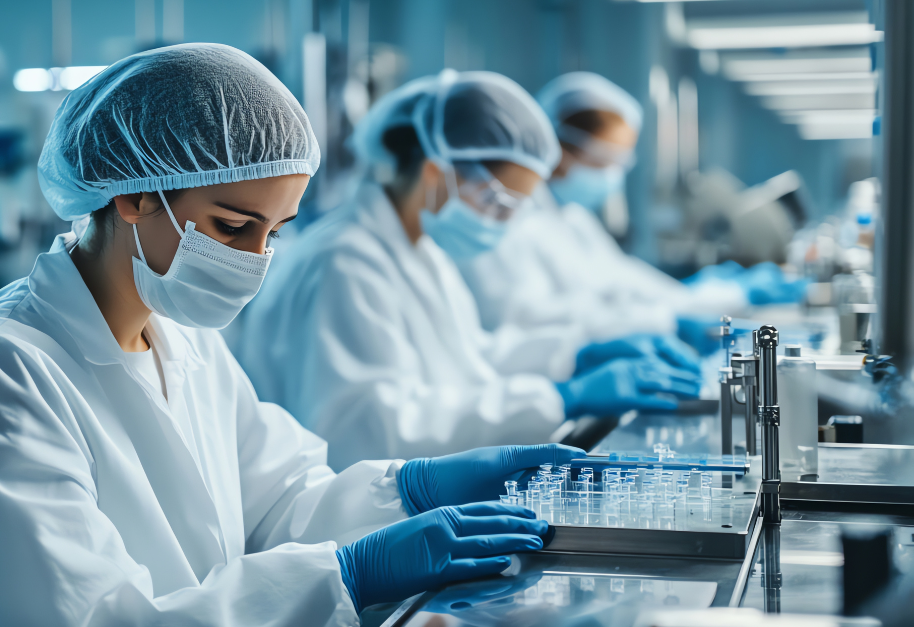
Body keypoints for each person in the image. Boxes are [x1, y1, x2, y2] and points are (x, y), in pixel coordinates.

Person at [0, 45, 587, 626]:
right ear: (133, 193)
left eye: (275, 231)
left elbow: (278, 502)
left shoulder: (181, 333)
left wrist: (411, 490)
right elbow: (93, 617)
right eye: (234, 226)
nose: (255, 260)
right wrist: (346, 574)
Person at [235, 70, 700, 472]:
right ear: (434, 172)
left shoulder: (420, 251)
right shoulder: (345, 262)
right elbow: (367, 426)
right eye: (497, 202)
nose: (503, 224)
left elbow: (473, 361)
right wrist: (561, 397)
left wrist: (574, 356)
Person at [455, 72, 805, 347]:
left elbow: (622, 282)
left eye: (620, 163)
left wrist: (707, 295)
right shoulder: (504, 219)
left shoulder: (572, 219)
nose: (611, 175)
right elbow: (528, 317)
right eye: (603, 160)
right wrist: (667, 317)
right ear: (558, 146)